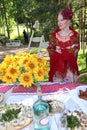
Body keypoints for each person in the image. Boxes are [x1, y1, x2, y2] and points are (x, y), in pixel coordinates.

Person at [47, 7, 80, 83]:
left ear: (68, 20)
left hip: (70, 73)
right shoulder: (54, 36)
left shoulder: (75, 36)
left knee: (71, 93)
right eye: (58, 20)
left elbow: (75, 53)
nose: (59, 23)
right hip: (57, 73)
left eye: (61, 20)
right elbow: (50, 49)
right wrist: (56, 52)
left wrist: (61, 52)